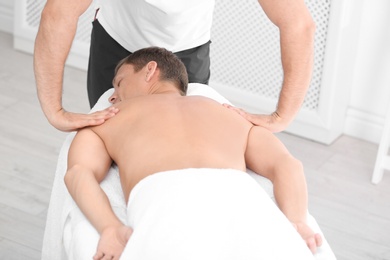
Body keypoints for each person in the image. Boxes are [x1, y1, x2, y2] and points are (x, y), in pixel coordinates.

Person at [64, 47, 322, 259]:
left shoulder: (108, 120)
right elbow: (287, 165)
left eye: (118, 84)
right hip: (241, 201)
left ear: (150, 70)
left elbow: (78, 174)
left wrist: (110, 228)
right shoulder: (231, 115)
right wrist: (296, 221)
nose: (113, 97)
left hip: (165, 202)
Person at [34, 0, 315, 132]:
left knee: (181, 142)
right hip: (117, 44)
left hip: (187, 52)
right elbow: (58, 13)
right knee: (108, 138)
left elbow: (298, 24)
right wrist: (54, 111)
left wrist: (282, 117)